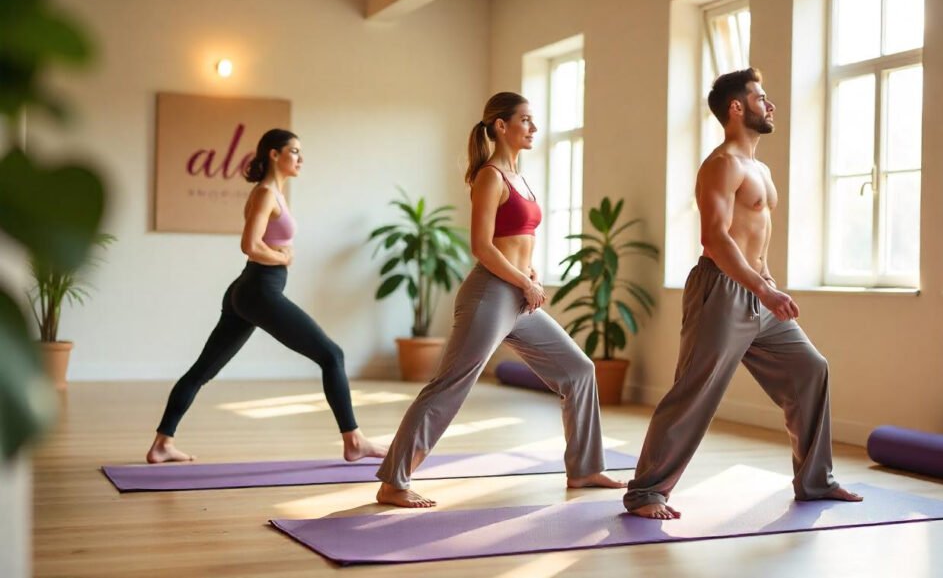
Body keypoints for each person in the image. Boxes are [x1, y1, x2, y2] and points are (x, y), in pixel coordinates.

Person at [623, 68, 863, 520]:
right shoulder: (721, 165)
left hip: (758, 290)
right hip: (721, 289)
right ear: (737, 108)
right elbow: (716, 238)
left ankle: (815, 481)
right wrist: (760, 288)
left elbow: (756, 236)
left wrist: (767, 282)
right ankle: (646, 492)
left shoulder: (761, 169)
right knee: (695, 390)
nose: (769, 105)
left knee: (810, 369)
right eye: (761, 97)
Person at [375, 92, 625, 508]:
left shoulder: (521, 177)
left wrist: (532, 275)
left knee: (578, 370)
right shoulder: (490, 176)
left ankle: (584, 467)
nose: (533, 128)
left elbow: (520, 241)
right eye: (524, 120)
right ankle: (393, 481)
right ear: (500, 126)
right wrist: (523, 283)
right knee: (450, 386)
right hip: (490, 295)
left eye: (533, 121)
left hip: (519, 295)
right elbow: (482, 246)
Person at [146, 128, 386, 464]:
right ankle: (355, 441)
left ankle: (161, 444)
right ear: (274, 154)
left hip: (248, 291)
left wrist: (278, 254)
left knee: (202, 371)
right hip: (258, 290)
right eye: (294, 151)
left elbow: (262, 243)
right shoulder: (264, 194)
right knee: (332, 355)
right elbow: (250, 245)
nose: (300, 159)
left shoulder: (276, 194)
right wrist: (282, 257)